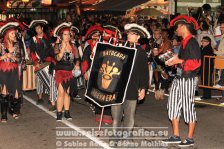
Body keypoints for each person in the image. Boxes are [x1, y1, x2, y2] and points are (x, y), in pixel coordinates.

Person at [162, 15, 201, 147]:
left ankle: (190, 138)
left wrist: (179, 61)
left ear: (183, 26)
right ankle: (176, 136)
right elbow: (181, 61)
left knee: (188, 108)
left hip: (188, 79)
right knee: (172, 106)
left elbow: (196, 63)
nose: (175, 30)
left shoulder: (192, 42)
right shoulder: (184, 42)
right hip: (179, 78)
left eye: (177, 27)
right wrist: (172, 60)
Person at [110, 23, 149, 146]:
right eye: (128, 33)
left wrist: (143, 88)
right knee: (116, 117)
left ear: (138, 37)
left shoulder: (141, 53)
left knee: (130, 117)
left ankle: (127, 138)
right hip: (118, 87)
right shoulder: (120, 48)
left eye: (132, 34)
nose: (129, 35)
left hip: (132, 88)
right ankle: (115, 138)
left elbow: (144, 72)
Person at [53, 22, 80, 121]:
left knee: (67, 93)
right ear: (61, 35)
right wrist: (63, 48)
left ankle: (67, 112)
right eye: (65, 34)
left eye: (68, 34)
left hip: (69, 72)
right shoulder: (57, 45)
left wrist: (77, 65)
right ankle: (59, 113)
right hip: (60, 71)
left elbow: (77, 58)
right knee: (61, 92)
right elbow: (58, 58)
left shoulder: (73, 46)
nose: (67, 36)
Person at [0, 22, 23, 122]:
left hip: (14, 70)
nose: (14, 35)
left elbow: (19, 59)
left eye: (14, 33)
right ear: (7, 35)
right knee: (4, 92)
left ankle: (14, 110)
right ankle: (4, 115)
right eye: (12, 33)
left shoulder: (17, 45)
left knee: (17, 93)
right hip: (3, 69)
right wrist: (5, 56)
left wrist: (13, 57)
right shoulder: (1, 45)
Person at [29, 20, 56, 105]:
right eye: (36, 29)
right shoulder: (33, 39)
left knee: (49, 80)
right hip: (39, 62)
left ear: (42, 28)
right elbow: (32, 52)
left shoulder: (48, 38)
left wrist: (51, 58)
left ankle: (50, 97)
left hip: (48, 62)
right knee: (39, 80)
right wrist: (36, 62)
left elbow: (53, 50)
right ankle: (40, 98)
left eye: (38, 28)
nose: (37, 30)